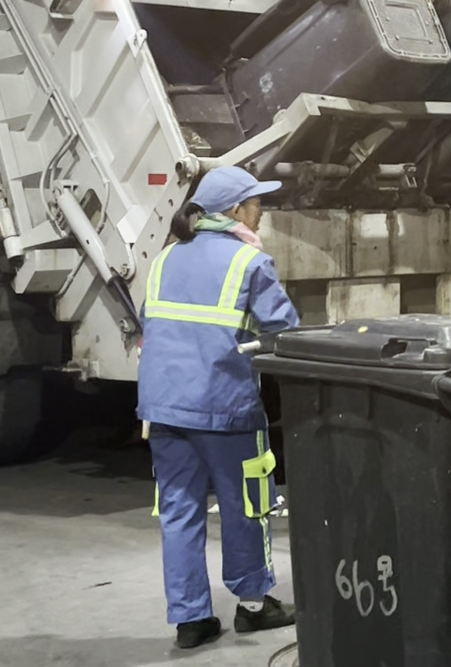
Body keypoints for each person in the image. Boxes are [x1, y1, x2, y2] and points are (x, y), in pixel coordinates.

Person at [137, 166, 301, 649]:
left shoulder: (166, 258)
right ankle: (253, 605)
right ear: (234, 211)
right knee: (247, 505)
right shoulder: (249, 262)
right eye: (255, 202)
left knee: (179, 511)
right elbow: (284, 331)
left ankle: (190, 620)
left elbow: (157, 322)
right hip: (223, 405)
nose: (261, 209)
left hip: (164, 407)